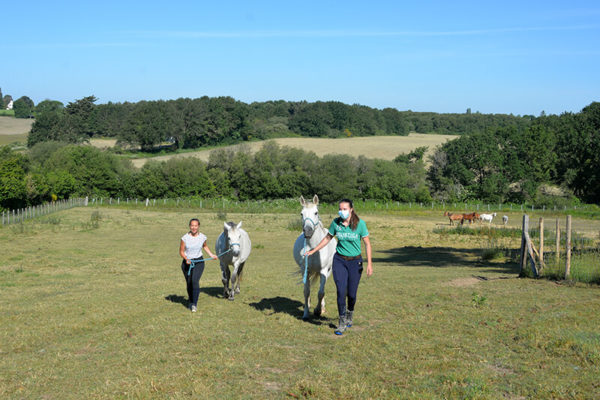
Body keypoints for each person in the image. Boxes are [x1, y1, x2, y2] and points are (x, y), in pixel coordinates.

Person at [306, 198, 372, 335]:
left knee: (352, 294)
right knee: (341, 291)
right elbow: (327, 238)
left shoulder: (360, 224)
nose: (341, 211)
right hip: (339, 261)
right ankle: (341, 322)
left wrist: (369, 264)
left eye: (344, 209)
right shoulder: (336, 223)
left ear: (351, 209)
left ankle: (350, 313)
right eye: (340, 209)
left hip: (355, 262)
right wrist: (313, 250)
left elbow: (367, 244)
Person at [179, 218, 218, 312]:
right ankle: (191, 299)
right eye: (192, 225)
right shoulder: (185, 238)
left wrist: (211, 255)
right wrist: (186, 259)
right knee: (189, 283)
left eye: (196, 225)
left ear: (198, 226)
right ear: (189, 226)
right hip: (187, 263)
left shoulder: (203, 237)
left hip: (199, 262)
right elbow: (181, 251)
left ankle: (194, 304)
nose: (194, 227)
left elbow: (204, 246)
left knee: (194, 280)